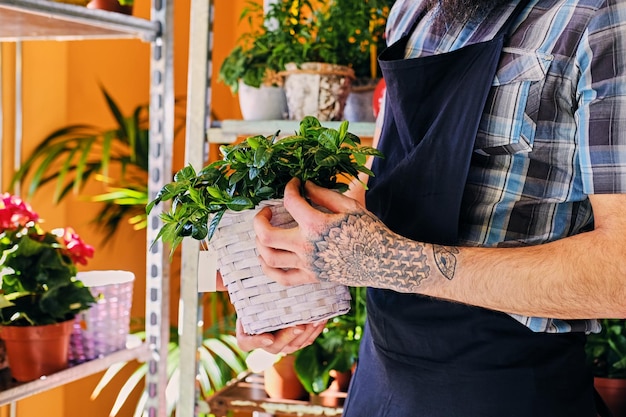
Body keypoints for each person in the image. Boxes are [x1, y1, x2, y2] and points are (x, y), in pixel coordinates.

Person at [235, 0, 626, 415]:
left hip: (503, 389)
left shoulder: (599, 18)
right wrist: (313, 283)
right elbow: (392, 171)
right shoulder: (412, 10)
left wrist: (386, 261)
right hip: (378, 380)